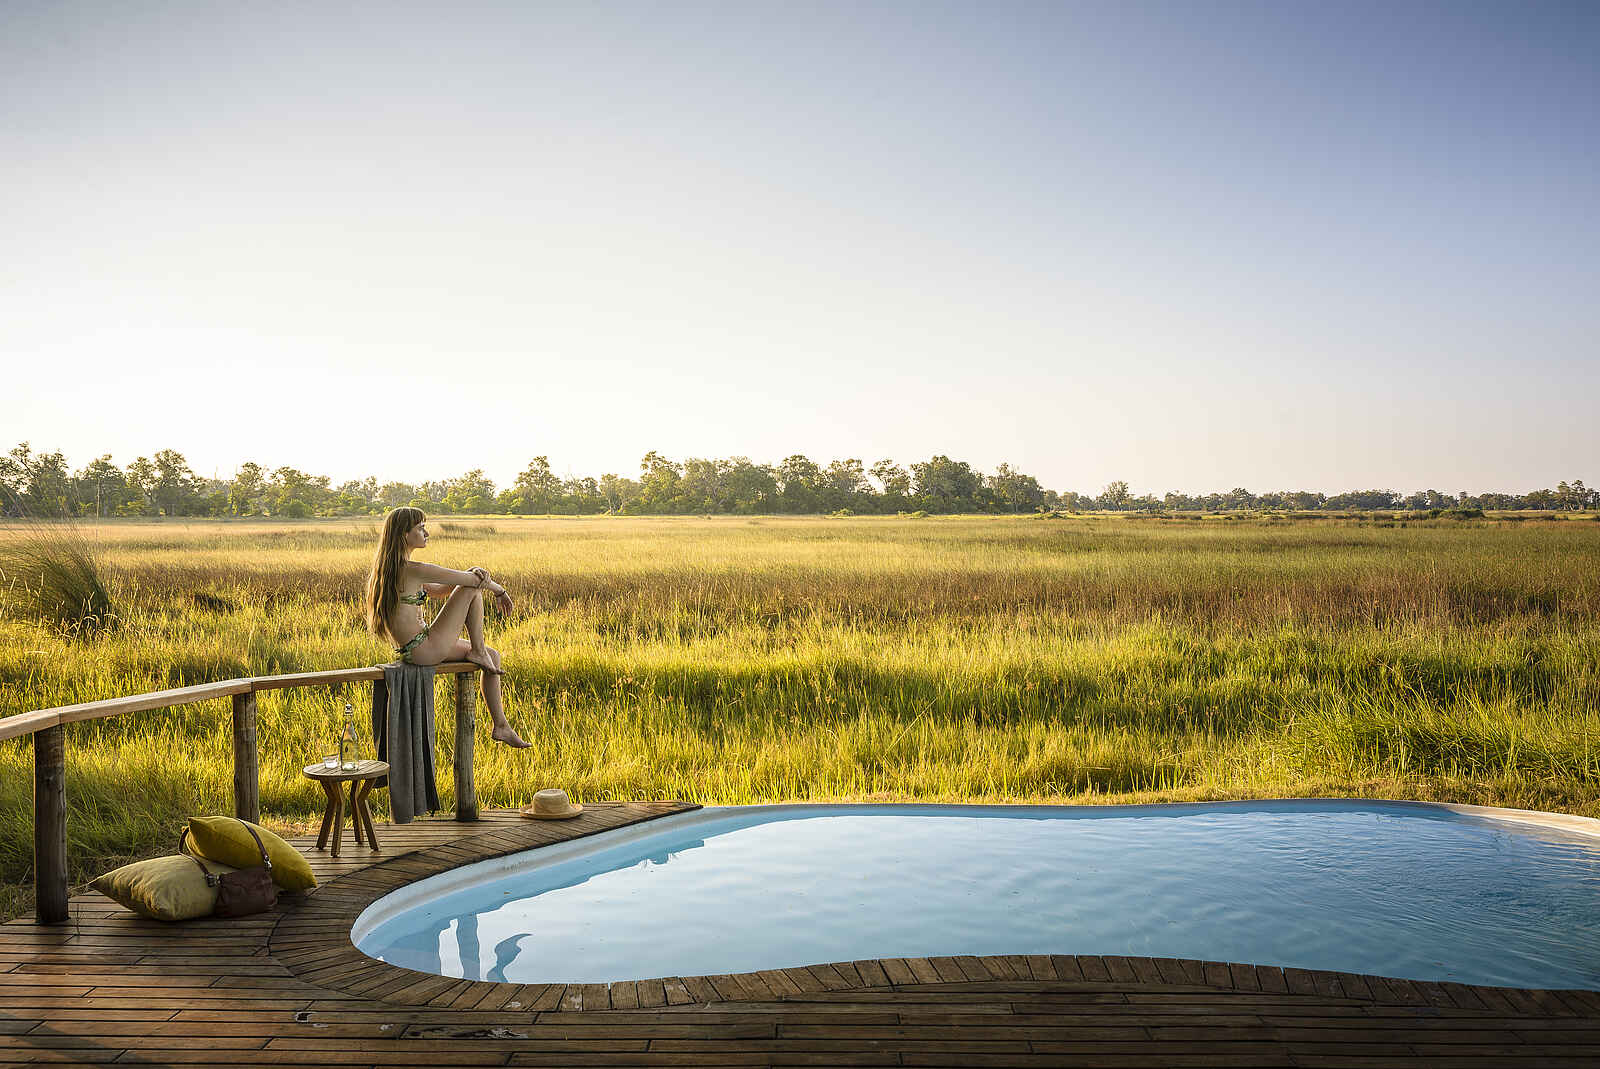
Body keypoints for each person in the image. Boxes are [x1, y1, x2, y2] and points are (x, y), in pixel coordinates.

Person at [364, 506, 529, 748]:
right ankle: (478, 650)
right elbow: (471, 584)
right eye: (420, 528)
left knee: (494, 656)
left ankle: (501, 725)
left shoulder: (396, 570)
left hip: (419, 647)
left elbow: (442, 590)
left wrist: (472, 573)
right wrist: (499, 590)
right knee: (472, 590)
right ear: (404, 535)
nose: (426, 533)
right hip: (424, 649)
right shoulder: (413, 569)